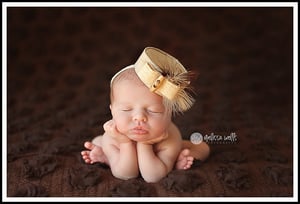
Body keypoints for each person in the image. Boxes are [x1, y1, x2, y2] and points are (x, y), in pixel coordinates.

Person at [81, 47, 210, 183]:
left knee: (202, 148)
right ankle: (109, 158)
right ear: (112, 110)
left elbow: (153, 176)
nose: (139, 117)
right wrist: (125, 143)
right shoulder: (113, 136)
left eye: (153, 111)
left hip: (160, 153)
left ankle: (176, 161)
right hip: (120, 144)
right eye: (126, 109)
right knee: (98, 141)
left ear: (169, 115)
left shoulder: (170, 139)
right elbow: (126, 174)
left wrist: (145, 144)